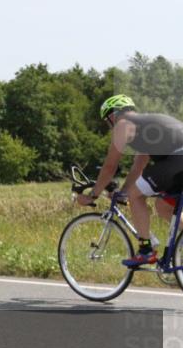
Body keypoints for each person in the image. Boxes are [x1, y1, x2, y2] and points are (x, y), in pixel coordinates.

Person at [77, 95, 183, 266]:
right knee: (162, 206)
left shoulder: (123, 124)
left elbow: (110, 166)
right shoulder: (147, 128)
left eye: (107, 121)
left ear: (112, 116)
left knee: (136, 195)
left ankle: (146, 251)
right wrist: (124, 191)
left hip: (177, 160)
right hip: (177, 162)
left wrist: (93, 195)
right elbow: (138, 167)